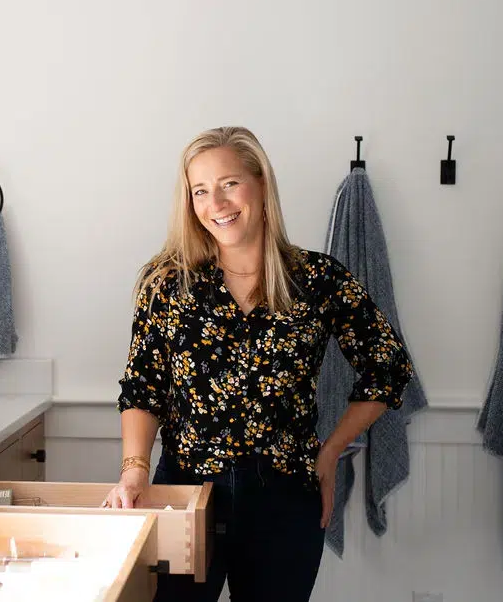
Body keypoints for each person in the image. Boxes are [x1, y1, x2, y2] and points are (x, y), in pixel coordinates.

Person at [102, 127, 415, 601]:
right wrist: (133, 470)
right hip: (186, 491)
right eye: (200, 191)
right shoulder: (168, 282)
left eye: (229, 184)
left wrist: (330, 452)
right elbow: (144, 386)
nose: (217, 203)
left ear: (261, 184)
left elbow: (387, 365)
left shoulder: (317, 279)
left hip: (284, 498)